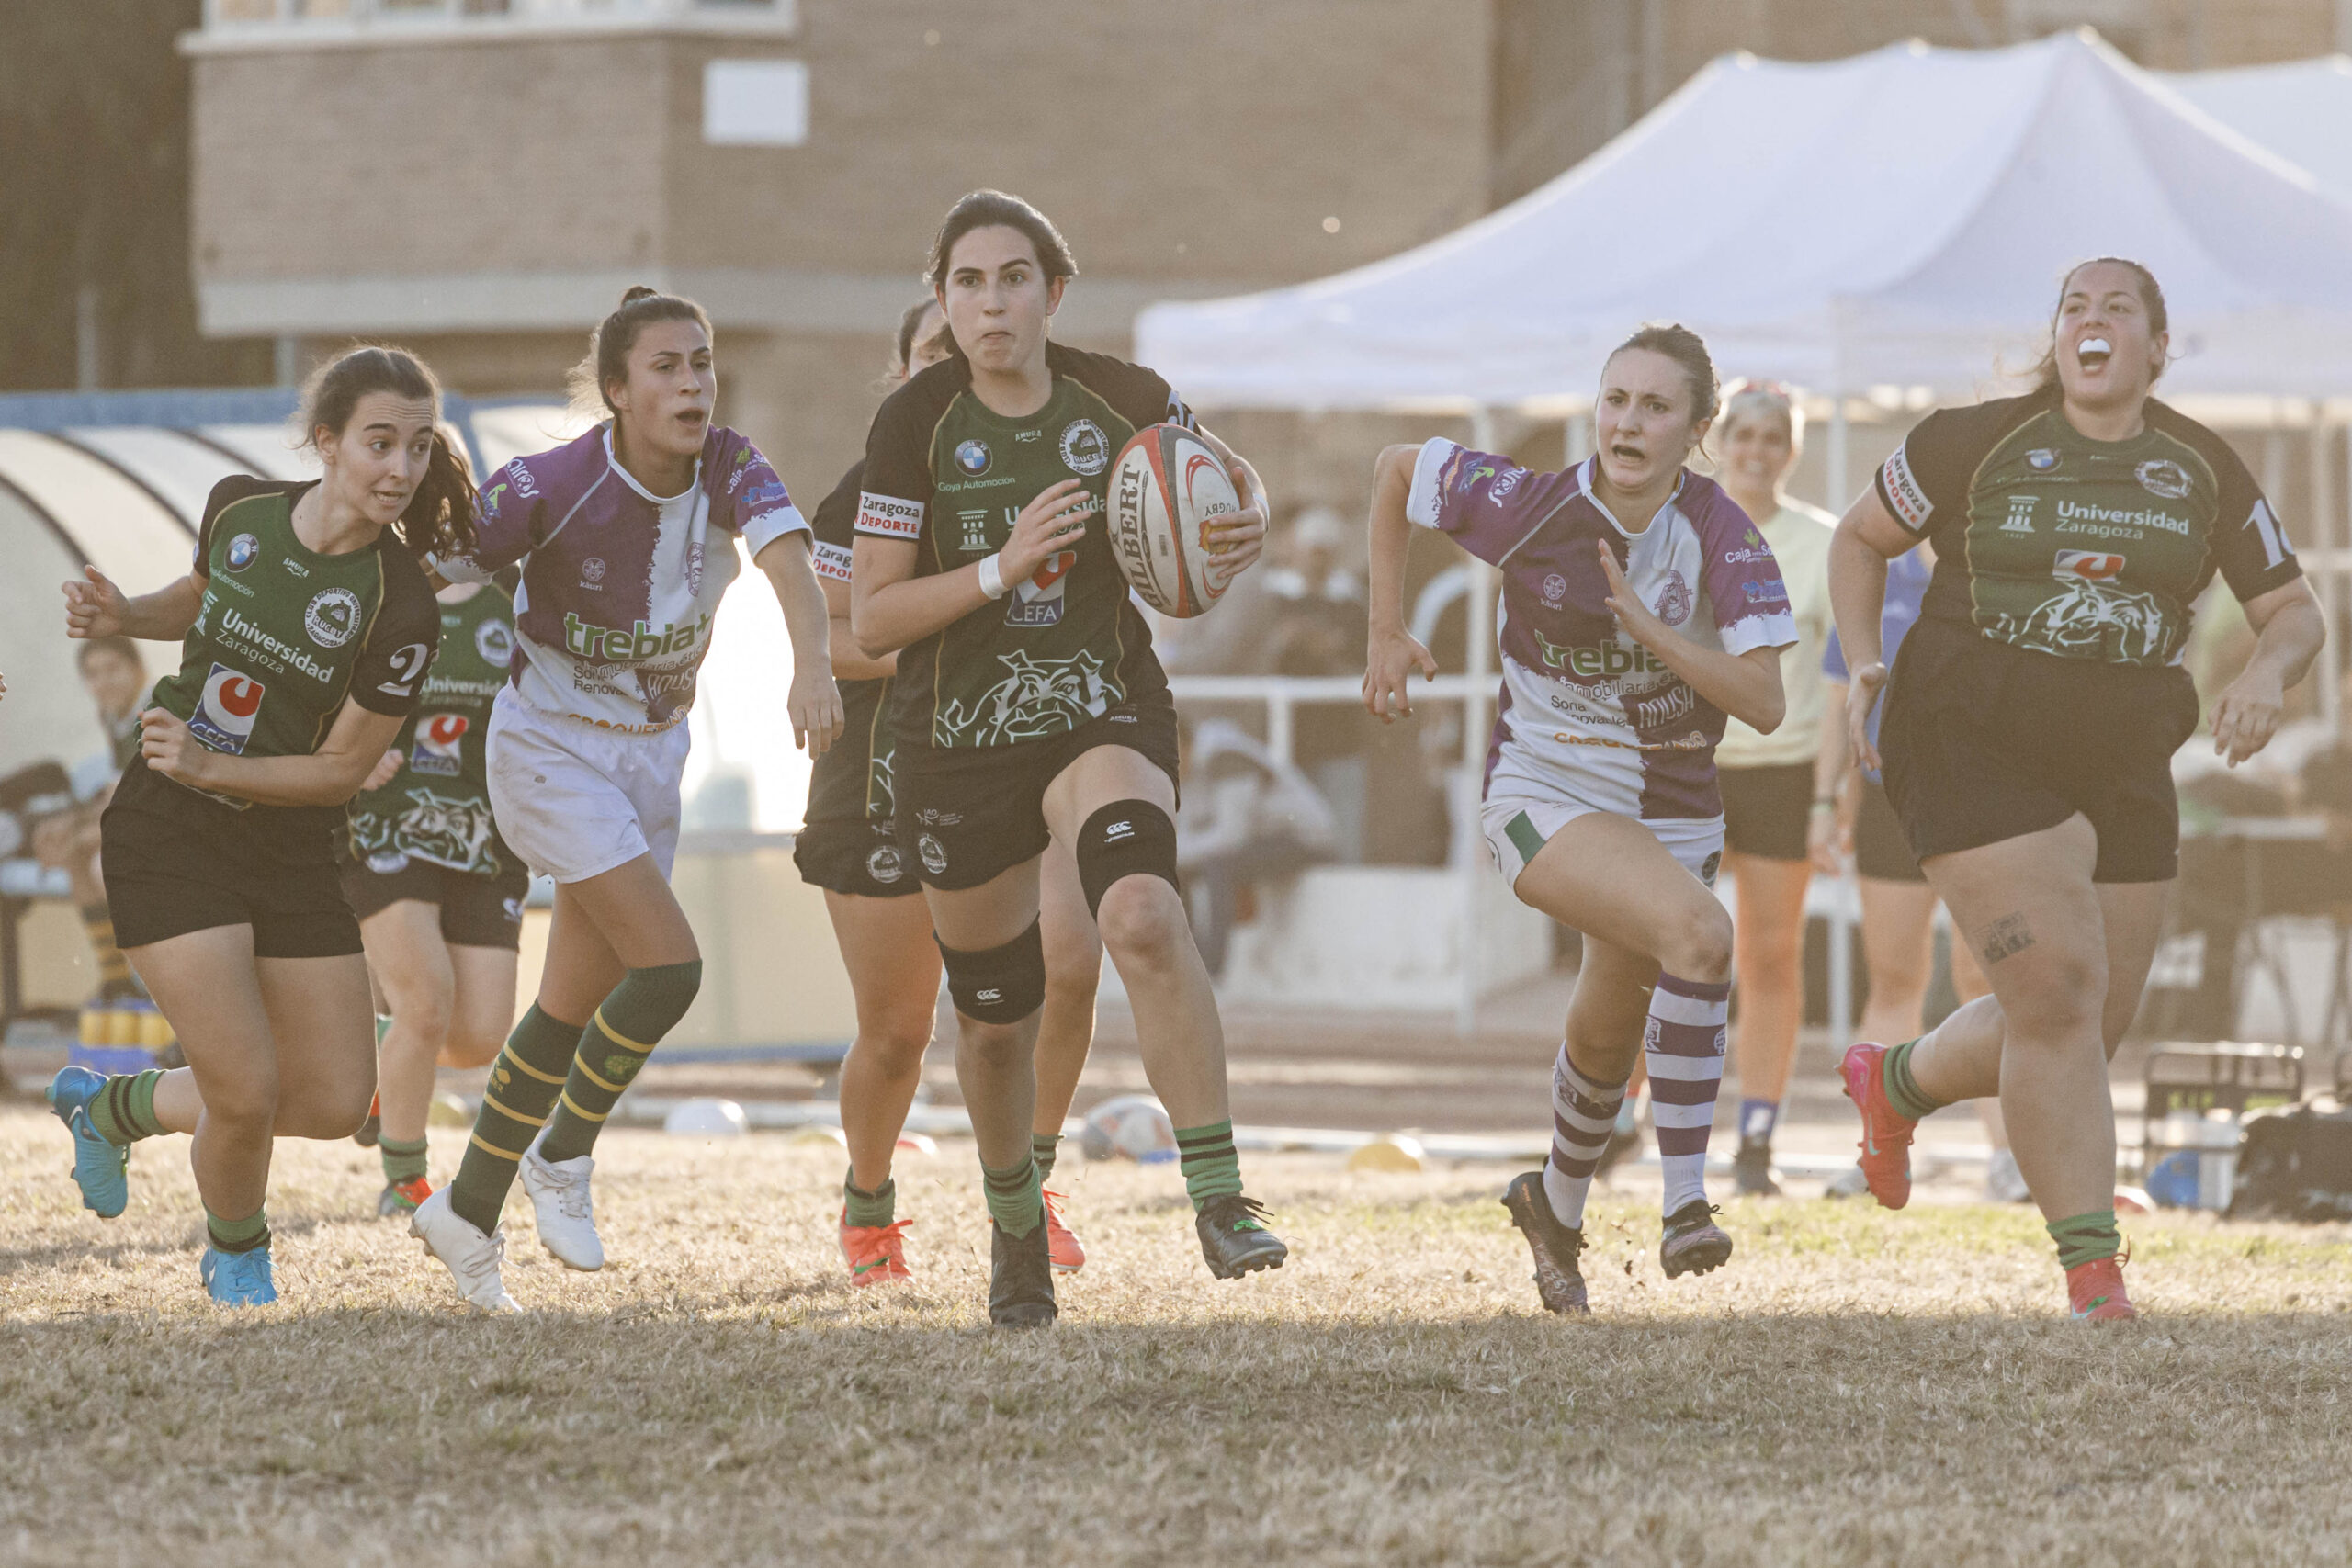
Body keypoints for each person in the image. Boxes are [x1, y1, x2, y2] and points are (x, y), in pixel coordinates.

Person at [1830, 258, 2324, 1322]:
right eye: (2073, 308)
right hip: (1965, 725)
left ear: (2156, 345)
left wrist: (2261, 675)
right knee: (2053, 989)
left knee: (2085, 1029)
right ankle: (2093, 1275)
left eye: (2117, 310)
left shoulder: (2203, 465)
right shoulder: (1968, 440)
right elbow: (1858, 539)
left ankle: (1897, 1080)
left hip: (2121, 746)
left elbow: (2294, 609)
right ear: (2055, 339)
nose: (2090, 323)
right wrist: (1863, 661)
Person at [852, 189, 1278, 1328]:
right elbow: (876, 621)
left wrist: (1241, 526)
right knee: (995, 1021)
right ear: (942, 299)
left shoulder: (1125, 399)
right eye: (968, 283)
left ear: (1053, 291)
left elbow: (1232, 483)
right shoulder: (915, 423)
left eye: (1013, 279)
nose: (991, 303)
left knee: (1139, 912)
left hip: (1101, 709)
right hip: (959, 741)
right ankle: (1012, 1225)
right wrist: (1000, 566)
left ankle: (1219, 1195)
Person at [410, 287, 842, 1312]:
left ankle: (464, 1210)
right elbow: (429, 570)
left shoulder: (731, 463)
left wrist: (811, 665)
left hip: (653, 753)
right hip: (548, 750)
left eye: (701, 362)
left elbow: (790, 563)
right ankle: (562, 1153)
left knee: (566, 1005)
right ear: (616, 392)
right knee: (670, 970)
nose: (693, 382)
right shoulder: (549, 483)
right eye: (666, 367)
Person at [1364, 323, 1795, 1316]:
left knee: (1612, 1019)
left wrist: (1651, 634)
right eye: (1614, 399)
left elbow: (1764, 701)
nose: (1626, 422)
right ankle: (1686, 1201)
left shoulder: (1722, 534)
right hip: (1542, 794)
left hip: (1674, 813)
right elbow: (1394, 471)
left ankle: (1553, 1206)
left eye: (1653, 407)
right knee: (1699, 935)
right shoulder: (1528, 503)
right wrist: (1385, 630)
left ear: (1696, 430)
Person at [45, 345, 465, 1305]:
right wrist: (122, 613)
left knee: (323, 1098)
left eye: (416, 448)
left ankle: (110, 1108)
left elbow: (342, 772)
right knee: (241, 1091)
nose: (400, 469)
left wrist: (215, 761)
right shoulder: (239, 506)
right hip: (168, 828)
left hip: (288, 841)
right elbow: (202, 595)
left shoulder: (401, 604)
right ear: (326, 442)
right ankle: (240, 1259)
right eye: (378, 442)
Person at [803, 299, 1102, 1287]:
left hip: (1015, 756)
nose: (963, 363)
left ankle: (1028, 1190)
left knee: (1061, 970)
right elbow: (840, 638)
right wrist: (965, 623)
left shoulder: (1052, 467)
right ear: (904, 379)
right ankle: (869, 1201)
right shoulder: (863, 497)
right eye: (937, 352)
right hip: (884, 772)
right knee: (898, 1033)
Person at [1814, 543, 2020, 1203]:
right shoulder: (1874, 571)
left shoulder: (2004, 569)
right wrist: (1825, 802)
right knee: (1896, 976)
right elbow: (1838, 697)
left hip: (1982, 798)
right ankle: (1874, 1148)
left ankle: (2009, 1155)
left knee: (1982, 976)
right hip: (1891, 797)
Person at [339, 576, 526, 1217]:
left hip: (487, 838)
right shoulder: (374, 589)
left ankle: (381, 1057)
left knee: (477, 1037)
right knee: (426, 1002)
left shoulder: (522, 599)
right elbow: (306, 692)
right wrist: (351, 755)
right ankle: (405, 1179)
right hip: (389, 824)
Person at [1707, 382, 1838, 1196]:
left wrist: (1829, 798)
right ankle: (1621, 1115)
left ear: (1793, 449)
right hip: (1690, 765)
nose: (1755, 450)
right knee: (1660, 950)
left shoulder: (1822, 542)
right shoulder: (1681, 525)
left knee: (1769, 953)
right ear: (1718, 439)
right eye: (1742, 434)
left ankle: (1756, 1134)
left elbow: (1839, 676)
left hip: (1783, 771)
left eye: (1771, 438)